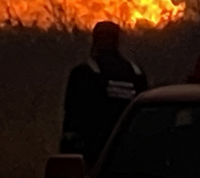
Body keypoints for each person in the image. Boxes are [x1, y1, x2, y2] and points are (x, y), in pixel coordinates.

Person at [60, 20, 150, 167]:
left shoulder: (84, 73)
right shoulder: (136, 73)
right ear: (118, 41)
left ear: (95, 40)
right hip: (128, 154)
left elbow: (72, 119)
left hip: (92, 153)